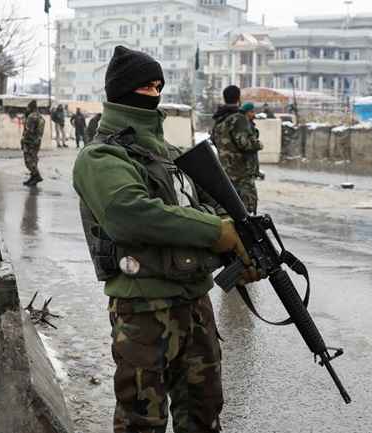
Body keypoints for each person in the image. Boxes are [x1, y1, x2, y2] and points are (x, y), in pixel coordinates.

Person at [73, 45, 260, 433]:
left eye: (159, 84)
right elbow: (131, 214)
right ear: (121, 90)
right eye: (146, 85)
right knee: (143, 418)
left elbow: (211, 204)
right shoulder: (102, 157)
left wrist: (237, 244)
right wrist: (216, 232)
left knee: (204, 410)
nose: (155, 90)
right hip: (143, 309)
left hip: (193, 300)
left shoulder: (170, 154)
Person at [211, 86, 263, 215]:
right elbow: (245, 144)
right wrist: (258, 144)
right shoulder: (238, 118)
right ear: (238, 98)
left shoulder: (219, 119)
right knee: (246, 211)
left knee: (230, 210)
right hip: (241, 173)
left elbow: (214, 140)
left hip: (226, 171)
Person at [21, 100, 45, 187]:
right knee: (34, 159)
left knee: (28, 161)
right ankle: (33, 177)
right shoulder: (40, 116)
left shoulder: (31, 117)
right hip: (37, 142)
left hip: (30, 142)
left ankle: (36, 176)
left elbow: (28, 130)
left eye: (28, 107)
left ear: (31, 107)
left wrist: (23, 140)